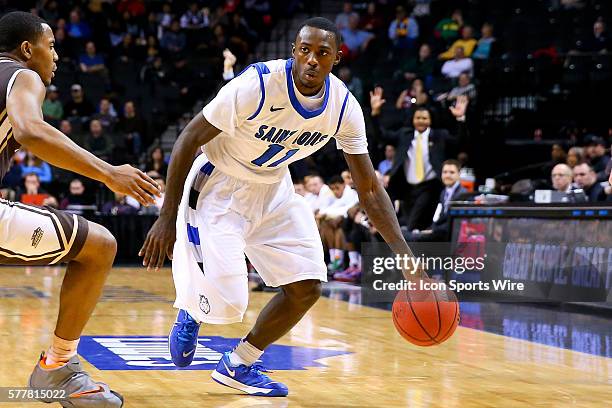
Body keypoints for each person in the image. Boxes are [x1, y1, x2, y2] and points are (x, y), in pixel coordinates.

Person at [140, 17, 426, 397]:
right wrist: (166, 215)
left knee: (307, 285)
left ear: (336, 58)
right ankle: (193, 308)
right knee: (228, 304)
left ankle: (240, 363)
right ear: (293, 51)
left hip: (274, 186)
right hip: (217, 184)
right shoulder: (256, 85)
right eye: (304, 50)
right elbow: (187, 139)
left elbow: (370, 190)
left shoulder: (343, 107)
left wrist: (408, 263)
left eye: (322, 53)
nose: (311, 60)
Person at [0, 11, 160, 407]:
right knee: (100, 246)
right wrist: (108, 173)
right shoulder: (22, 75)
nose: (55, 56)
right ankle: (56, 365)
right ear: (26, 49)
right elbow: (31, 129)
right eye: (50, 46)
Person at [370, 88, 468, 230]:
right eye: (418, 118)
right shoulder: (404, 134)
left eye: (424, 118)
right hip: (407, 187)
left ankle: (405, 247)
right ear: (413, 119)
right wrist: (375, 114)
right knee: (416, 224)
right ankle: (418, 249)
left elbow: (460, 141)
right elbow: (381, 136)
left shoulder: (439, 135)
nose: (421, 121)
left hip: (430, 186)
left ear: (430, 120)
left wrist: (460, 119)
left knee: (412, 224)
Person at [403, 160, 468, 242]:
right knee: (406, 234)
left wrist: (434, 230)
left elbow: (456, 223)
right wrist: (431, 229)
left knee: (412, 238)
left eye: (452, 172)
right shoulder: (443, 192)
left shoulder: (463, 194)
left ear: (459, 174)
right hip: (439, 232)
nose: (447, 175)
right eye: (445, 172)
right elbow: (439, 216)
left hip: (450, 235)